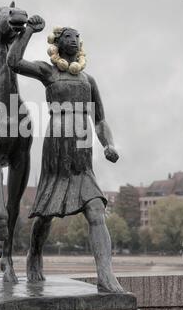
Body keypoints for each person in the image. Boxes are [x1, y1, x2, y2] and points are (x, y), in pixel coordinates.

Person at [7, 15, 124, 293]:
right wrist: (28, 33)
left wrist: (108, 143)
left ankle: (106, 276)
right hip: (57, 148)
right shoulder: (49, 72)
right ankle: (34, 254)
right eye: (67, 36)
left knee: (96, 208)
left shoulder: (88, 79)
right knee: (46, 212)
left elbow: (99, 119)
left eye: (76, 36)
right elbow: (13, 63)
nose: (73, 39)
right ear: (58, 44)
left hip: (83, 152)